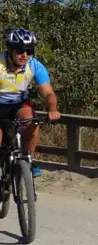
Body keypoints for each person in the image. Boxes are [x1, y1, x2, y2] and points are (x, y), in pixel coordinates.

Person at [0, 28, 61, 177]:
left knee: (32, 122)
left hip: (18, 104)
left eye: (29, 50)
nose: (25, 55)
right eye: (20, 50)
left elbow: (48, 93)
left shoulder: (34, 65)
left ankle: (28, 160)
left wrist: (52, 108)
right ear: (11, 49)